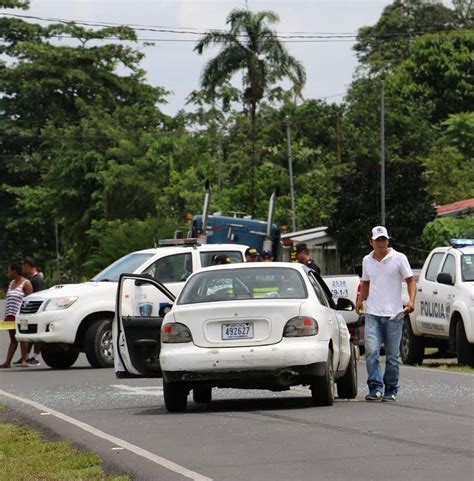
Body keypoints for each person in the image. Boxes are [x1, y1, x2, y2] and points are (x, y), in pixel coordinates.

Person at [355, 226, 416, 402]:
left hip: (394, 314)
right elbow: (365, 283)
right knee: (372, 352)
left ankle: (390, 389)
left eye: (384, 239)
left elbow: (411, 281)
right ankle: (375, 387)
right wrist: (360, 300)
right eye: (378, 240)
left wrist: (411, 301)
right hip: (373, 313)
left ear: (388, 240)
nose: (381, 243)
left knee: (392, 355)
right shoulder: (367, 260)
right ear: (371, 242)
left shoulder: (399, 258)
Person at [0, 263, 33, 368]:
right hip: (10, 315)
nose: (8, 273)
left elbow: (30, 300)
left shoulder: (26, 283)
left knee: (22, 338)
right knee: (13, 339)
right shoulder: (11, 283)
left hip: (21, 315)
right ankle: (7, 362)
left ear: (15, 271)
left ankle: (24, 360)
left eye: (9, 271)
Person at [20, 256, 45, 366]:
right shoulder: (31, 279)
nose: (23, 268)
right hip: (29, 311)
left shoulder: (37, 280)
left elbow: (39, 296)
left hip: (36, 310)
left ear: (28, 266)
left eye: (24, 266)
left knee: (36, 335)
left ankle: (35, 357)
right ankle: (26, 357)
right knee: (29, 335)